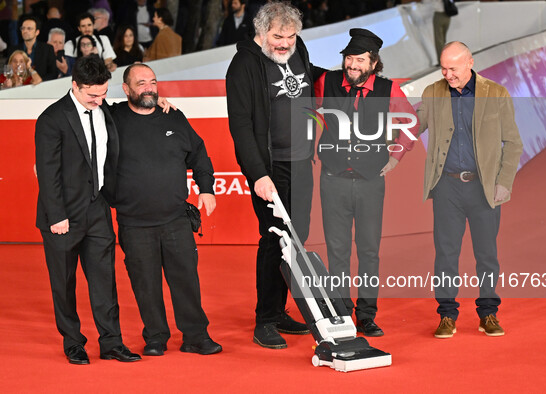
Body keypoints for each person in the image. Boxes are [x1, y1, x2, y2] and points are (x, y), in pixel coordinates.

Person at [226, 1, 324, 349]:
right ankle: (265, 319)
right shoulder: (243, 66)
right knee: (275, 239)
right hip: (270, 168)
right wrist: (258, 174)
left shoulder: (298, 50)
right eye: (277, 36)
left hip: (301, 161)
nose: (284, 43)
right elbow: (239, 126)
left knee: (297, 238)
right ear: (261, 32)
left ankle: (279, 310)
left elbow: (311, 76)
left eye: (291, 35)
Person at [34, 55, 141, 364]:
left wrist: (162, 105)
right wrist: (56, 216)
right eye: (92, 95)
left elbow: (133, 111)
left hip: (98, 211)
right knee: (64, 284)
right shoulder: (52, 119)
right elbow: (48, 171)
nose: (99, 100)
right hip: (63, 216)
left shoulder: (104, 109)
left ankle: (111, 343)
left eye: (104, 93)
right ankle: (73, 342)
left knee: (104, 281)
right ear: (74, 85)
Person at [314, 28, 419, 337]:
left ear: (374, 63)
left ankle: (367, 315)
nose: (353, 65)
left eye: (360, 59)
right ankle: (341, 313)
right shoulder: (328, 82)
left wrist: (395, 156)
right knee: (337, 250)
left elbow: (410, 123)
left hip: (370, 182)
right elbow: (305, 108)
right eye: (349, 58)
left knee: (369, 250)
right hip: (332, 179)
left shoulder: (388, 90)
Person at [111, 63, 222, 356]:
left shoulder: (173, 116)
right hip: (134, 223)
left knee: (186, 280)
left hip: (175, 219)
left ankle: (196, 337)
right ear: (126, 90)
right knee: (145, 285)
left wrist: (206, 189)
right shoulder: (112, 117)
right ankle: (156, 338)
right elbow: (82, 114)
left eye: (152, 82)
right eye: (141, 83)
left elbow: (199, 153)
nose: (149, 87)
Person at [416, 42, 523, 338]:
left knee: (487, 254)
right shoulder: (433, 92)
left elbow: (513, 143)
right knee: (446, 254)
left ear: (470, 63)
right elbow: (413, 126)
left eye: (453, 68)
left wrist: (504, 182)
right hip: (446, 187)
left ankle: (488, 313)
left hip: (483, 188)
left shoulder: (496, 93)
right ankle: (447, 315)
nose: (447, 74)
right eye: (443, 68)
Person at [14, 15, 58, 80]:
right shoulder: (14, 49)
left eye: (29, 29)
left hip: (41, 87)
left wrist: (39, 81)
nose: (25, 31)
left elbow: (53, 74)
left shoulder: (47, 49)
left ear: (37, 32)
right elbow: (8, 70)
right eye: (23, 28)